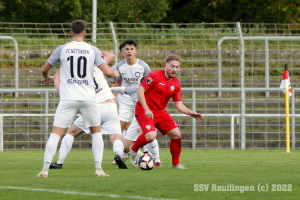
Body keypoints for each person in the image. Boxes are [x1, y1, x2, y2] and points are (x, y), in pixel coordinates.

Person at [35, 20, 119, 178]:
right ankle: (99, 170)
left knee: (56, 133)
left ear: (71, 32)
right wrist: (115, 74)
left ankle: (44, 170)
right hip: (88, 98)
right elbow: (108, 72)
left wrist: (46, 77)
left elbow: (45, 69)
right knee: (96, 133)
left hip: (68, 99)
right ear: (85, 33)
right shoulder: (92, 49)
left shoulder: (62, 48)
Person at [49, 60, 127, 170]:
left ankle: (59, 162)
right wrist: (92, 50)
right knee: (116, 137)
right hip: (111, 106)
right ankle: (119, 154)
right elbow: (111, 55)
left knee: (71, 132)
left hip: (95, 108)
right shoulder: (95, 65)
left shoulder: (74, 77)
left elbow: (64, 94)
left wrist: (57, 80)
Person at [129, 54, 203, 169]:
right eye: (172, 66)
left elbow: (179, 104)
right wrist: (147, 109)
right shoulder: (154, 75)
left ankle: (176, 164)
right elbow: (140, 92)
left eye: (177, 67)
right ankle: (133, 150)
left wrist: (190, 112)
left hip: (160, 112)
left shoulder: (176, 84)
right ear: (165, 66)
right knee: (151, 136)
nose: (174, 70)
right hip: (144, 111)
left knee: (176, 135)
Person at [111, 85, 162, 166]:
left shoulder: (156, 92)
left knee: (150, 135)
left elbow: (159, 109)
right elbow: (122, 89)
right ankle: (142, 157)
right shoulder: (134, 89)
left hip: (151, 117)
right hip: (137, 118)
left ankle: (157, 160)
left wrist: (144, 125)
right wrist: (108, 89)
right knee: (126, 147)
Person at [112, 40, 151, 136]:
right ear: (123, 52)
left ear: (135, 51)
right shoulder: (119, 66)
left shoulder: (144, 66)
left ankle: (147, 150)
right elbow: (118, 83)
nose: (129, 51)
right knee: (118, 127)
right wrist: (113, 98)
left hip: (140, 100)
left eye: (131, 49)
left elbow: (148, 86)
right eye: (127, 49)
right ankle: (122, 150)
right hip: (125, 100)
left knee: (144, 127)